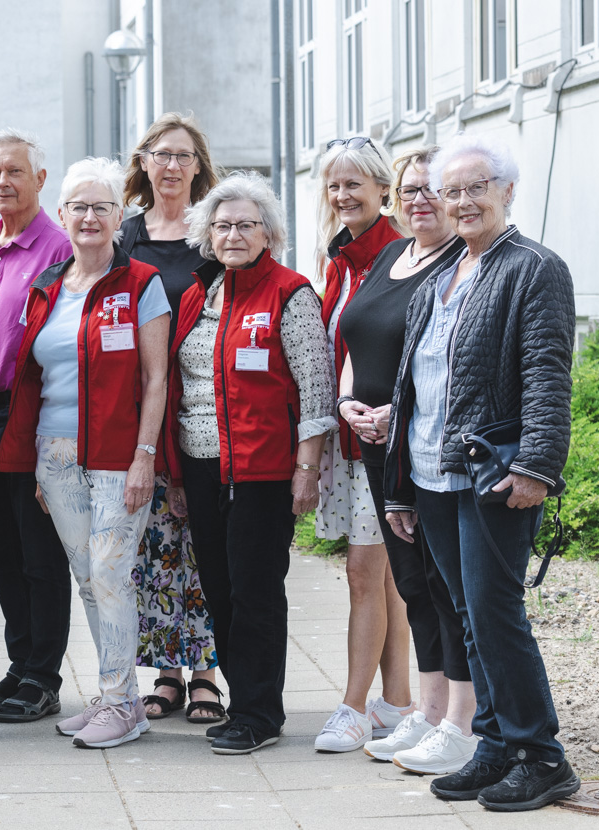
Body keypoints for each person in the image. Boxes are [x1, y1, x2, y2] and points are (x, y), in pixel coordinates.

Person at [385, 134, 579, 812]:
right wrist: (399, 487)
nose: (463, 201)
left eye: (477, 187)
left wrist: (536, 466)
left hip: (495, 471)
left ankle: (541, 756)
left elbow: (547, 375)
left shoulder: (534, 268)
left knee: (496, 613)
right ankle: (495, 745)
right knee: (468, 615)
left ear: (507, 191)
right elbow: (415, 386)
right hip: (433, 472)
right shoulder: (441, 277)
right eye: (452, 190)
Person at [0, 156, 169, 749]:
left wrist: (146, 454)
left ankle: (119, 701)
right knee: (89, 580)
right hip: (55, 455)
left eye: (102, 207)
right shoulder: (47, 286)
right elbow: (33, 379)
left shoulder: (142, 283)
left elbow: (156, 379)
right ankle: (119, 699)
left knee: (111, 573)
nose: (89, 217)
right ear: (62, 214)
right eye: (79, 207)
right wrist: (35, 462)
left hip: (120, 455)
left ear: (120, 217)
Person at [165, 172, 334, 754]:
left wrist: (306, 470)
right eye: (222, 225)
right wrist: (176, 475)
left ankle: (260, 713)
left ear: (269, 233)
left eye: (245, 225)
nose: (233, 235)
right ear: (207, 234)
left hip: (262, 472)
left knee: (255, 593)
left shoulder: (290, 293)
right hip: (200, 468)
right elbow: (180, 386)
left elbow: (316, 391)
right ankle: (244, 704)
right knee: (218, 589)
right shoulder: (198, 294)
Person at [340, 146, 478, 774]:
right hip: (377, 446)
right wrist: (347, 403)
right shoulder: (391, 255)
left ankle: (460, 724)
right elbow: (357, 341)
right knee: (412, 582)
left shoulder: (462, 264)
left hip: (427, 445)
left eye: (432, 189)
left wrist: (397, 411)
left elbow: (456, 363)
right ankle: (427, 709)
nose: (420, 200)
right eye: (409, 189)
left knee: (445, 585)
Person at [120, 112, 225, 724]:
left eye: (184, 156)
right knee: (156, 544)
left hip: (203, 406)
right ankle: (166, 673)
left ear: (198, 167)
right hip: (143, 410)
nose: (172, 166)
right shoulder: (126, 236)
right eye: (161, 154)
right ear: (144, 162)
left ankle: (207, 673)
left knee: (203, 540)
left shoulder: (215, 232)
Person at [311, 136, 414, 753]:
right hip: (351, 439)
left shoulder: (399, 253)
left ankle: (352, 708)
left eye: (354, 183)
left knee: (362, 573)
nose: (343, 195)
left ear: (383, 189)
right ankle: (397, 702)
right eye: (334, 185)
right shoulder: (341, 258)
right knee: (387, 577)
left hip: (385, 437)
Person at [0, 128, 74, 723]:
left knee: (40, 553)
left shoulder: (59, 249)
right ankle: (19, 664)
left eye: (14, 171)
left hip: (32, 412)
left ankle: (43, 675)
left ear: (39, 179)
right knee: (0, 552)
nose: (3, 182)